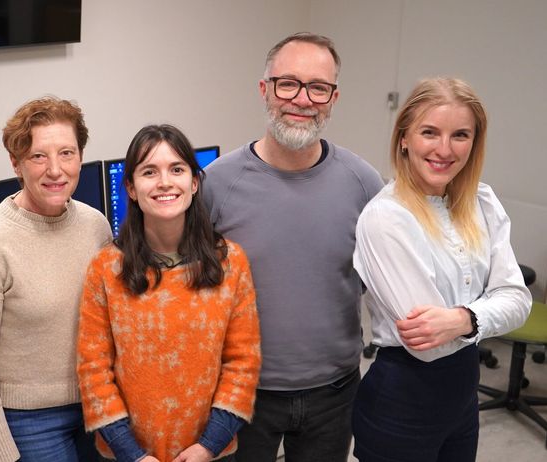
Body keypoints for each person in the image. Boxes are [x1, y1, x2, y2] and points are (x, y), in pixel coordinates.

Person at [202, 32, 385, 462]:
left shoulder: (364, 184)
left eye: (318, 87)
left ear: (333, 98)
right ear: (264, 90)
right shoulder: (217, 184)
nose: (302, 99)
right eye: (288, 83)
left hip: (334, 393)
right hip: (240, 394)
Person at [351, 77, 531, 461]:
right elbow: (428, 345)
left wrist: (463, 318)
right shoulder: (386, 218)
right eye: (429, 132)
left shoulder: (482, 202)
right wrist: (483, 314)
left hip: (462, 399)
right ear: (403, 137)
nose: (444, 149)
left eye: (460, 135)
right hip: (401, 403)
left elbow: (518, 300)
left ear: (475, 142)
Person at [77, 124, 261, 462]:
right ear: (131, 188)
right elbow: (93, 371)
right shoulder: (106, 268)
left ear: (193, 182)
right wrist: (132, 453)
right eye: (149, 171)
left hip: (212, 453)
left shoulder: (231, 262)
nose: (164, 182)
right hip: (127, 455)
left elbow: (243, 364)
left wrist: (209, 445)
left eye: (176, 169)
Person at [0, 96, 112, 462]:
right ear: (17, 163)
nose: (55, 170)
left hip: (98, 407)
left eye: (67, 153)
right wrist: (1, 456)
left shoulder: (95, 226)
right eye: (39, 156)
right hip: (30, 423)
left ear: (80, 157)